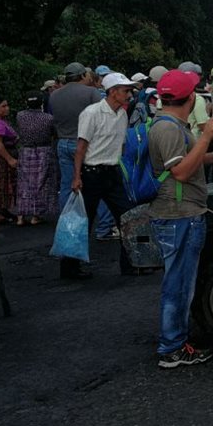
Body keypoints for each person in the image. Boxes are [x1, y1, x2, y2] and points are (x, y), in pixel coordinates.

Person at [148, 70, 213, 368]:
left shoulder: (170, 124)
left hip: (181, 213)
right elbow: (182, 172)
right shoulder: (168, 129)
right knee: (179, 284)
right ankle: (172, 347)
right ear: (192, 97)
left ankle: (175, 342)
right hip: (178, 214)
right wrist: (207, 136)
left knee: (182, 281)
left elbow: (188, 161)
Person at [62, 72, 141, 279]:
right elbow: (81, 147)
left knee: (128, 216)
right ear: (113, 92)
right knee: (83, 221)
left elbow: (121, 145)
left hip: (112, 172)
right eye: (126, 91)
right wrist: (76, 177)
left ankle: (130, 264)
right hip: (92, 173)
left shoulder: (122, 114)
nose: (129, 95)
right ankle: (70, 267)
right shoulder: (92, 113)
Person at [49, 62, 116, 248]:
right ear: (82, 76)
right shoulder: (91, 93)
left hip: (63, 142)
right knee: (99, 184)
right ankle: (104, 227)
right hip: (86, 144)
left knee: (67, 187)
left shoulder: (55, 95)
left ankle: (68, 229)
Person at [15, 91, 58, 225]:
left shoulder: (20, 116)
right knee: (41, 183)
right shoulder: (49, 118)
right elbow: (54, 133)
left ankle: (20, 216)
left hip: (25, 151)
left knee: (24, 182)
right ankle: (36, 214)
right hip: (43, 151)